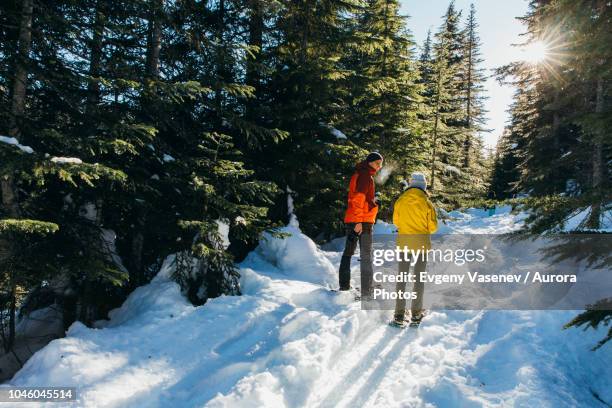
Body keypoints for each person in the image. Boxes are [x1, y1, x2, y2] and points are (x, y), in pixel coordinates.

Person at [391, 172, 438, 328]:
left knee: (402, 278)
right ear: (423, 186)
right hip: (421, 245)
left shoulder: (401, 200)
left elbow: (396, 222)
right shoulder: (426, 203)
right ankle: (416, 315)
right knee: (418, 279)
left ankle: (398, 314)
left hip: (404, 243)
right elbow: (433, 227)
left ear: (411, 184)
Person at [338, 152, 383, 297]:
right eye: (377, 162)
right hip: (361, 221)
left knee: (349, 252)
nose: (379, 166)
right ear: (369, 162)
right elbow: (358, 199)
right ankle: (367, 289)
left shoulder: (361, 174)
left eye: (380, 163)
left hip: (356, 218)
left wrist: (373, 203)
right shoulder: (365, 176)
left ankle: (344, 286)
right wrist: (358, 221)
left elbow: (361, 199)